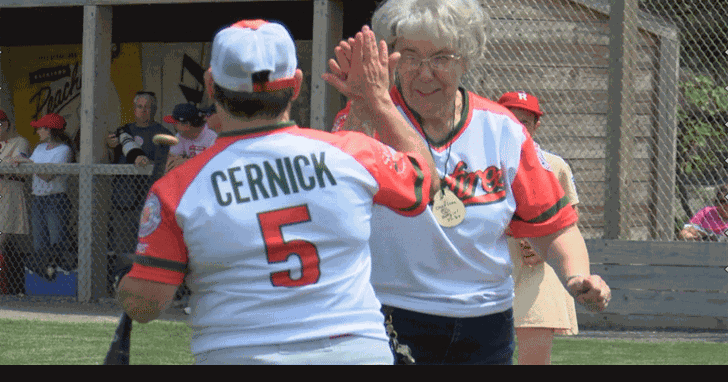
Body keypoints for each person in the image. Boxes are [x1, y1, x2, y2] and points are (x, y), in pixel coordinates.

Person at [117, 20, 439, 365]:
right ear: (297, 85)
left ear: (211, 85)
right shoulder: (353, 153)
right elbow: (425, 180)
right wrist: (378, 100)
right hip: (353, 352)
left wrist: (127, 283)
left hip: (238, 354)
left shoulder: (178, 187)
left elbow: (147, 303)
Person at [323, 0, 611, 365]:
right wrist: (363, 106)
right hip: (393, 314)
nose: (425, 73)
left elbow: (554, 226)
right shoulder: (369, 115)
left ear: (467, 59)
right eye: (410, 56)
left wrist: (576, 276)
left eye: (441, 58)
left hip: (486, 322)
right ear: (390, 57)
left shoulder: (502, 129)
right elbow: (337, 196)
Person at [497, 91, 580, 365]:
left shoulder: (553, 165)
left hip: (538, 274)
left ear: (536, 126)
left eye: (526, 122)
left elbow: (569, 219)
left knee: (535, 359)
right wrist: (518, 232)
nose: (519, 128)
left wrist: (541, 243)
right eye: (511, 119)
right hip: (496, 269)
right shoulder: (481, 162)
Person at [106, 91, 173, 292]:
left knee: (148, 247)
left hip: (149, 201)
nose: (144, 110)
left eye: (148, 107)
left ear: (155, 109)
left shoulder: (163, 133)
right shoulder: (123, 132)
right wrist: (110, 146)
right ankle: (122, 286)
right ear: (134, 109)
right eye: (140, 106)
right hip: (123, 199)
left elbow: (163, 166)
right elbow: (113, 157)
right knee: (123, 246)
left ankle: (147, 289)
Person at [10, 113, 74, 281]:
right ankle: (44, 284)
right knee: (40, 243)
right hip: (38, 198)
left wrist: (29, 164)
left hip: (56, 199)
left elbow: (47, 175)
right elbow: (31, 165)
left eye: (40, 128)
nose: (38, 131)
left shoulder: (64, 150)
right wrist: (21, 160)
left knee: (56, 241)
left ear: (50, 130)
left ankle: (61, 279)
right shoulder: (39, 148)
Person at [0, 109, 31, 293]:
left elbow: (17, 163)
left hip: (9, 192)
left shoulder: (20, 141)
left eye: (1, 123)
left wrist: (8, 164)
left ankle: (3, 288)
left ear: (6, 124)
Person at [164, 103, 218, 173]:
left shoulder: (212, 135)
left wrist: (187, 162)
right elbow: (171, 156)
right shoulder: (181, 135)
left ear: (187, 124)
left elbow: (214, 163)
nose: (174, 125)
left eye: (176, 123)